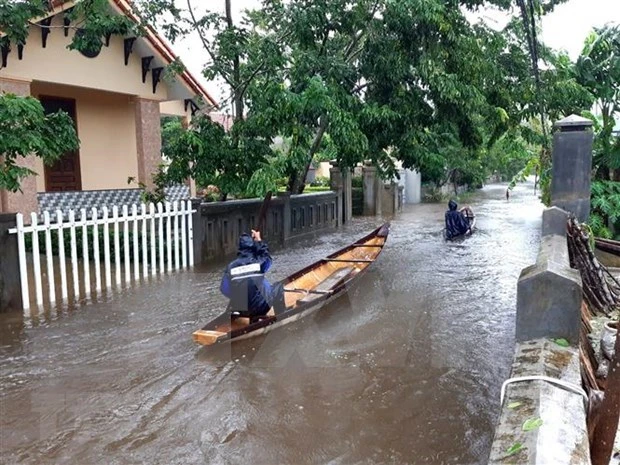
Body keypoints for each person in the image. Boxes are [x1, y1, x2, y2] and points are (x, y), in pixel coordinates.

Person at [220, 229, 286, 318]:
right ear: (253, 247)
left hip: (241, 310)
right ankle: (281, 317)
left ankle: (235, 314)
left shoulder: (231, 267)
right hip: (260, 309)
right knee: (278, 286)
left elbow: (225, 290)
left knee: (237, 292)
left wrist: (238, 296)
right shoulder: (258, 263)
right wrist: (259, 241)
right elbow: (267, 259)